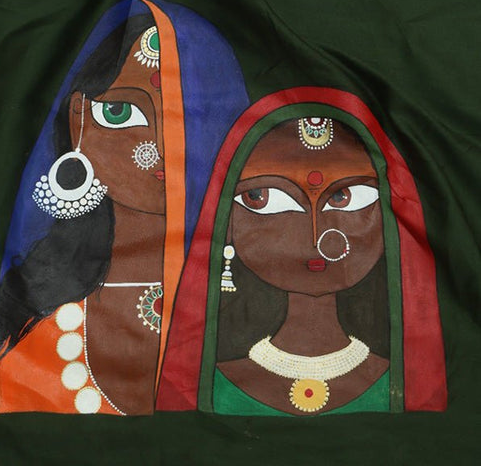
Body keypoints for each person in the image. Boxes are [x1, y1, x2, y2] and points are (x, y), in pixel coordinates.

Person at [0, 0, 249, 415]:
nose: (159, 147)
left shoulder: (267, 322)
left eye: (191, 116)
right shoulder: (29, 327)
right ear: (78, 119)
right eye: (120, 112)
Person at [157, 87, 447, 415]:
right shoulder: (203, 387)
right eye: (262, 198)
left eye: (344, 198)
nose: (316, 236)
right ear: (226, 219)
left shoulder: (405, 388)